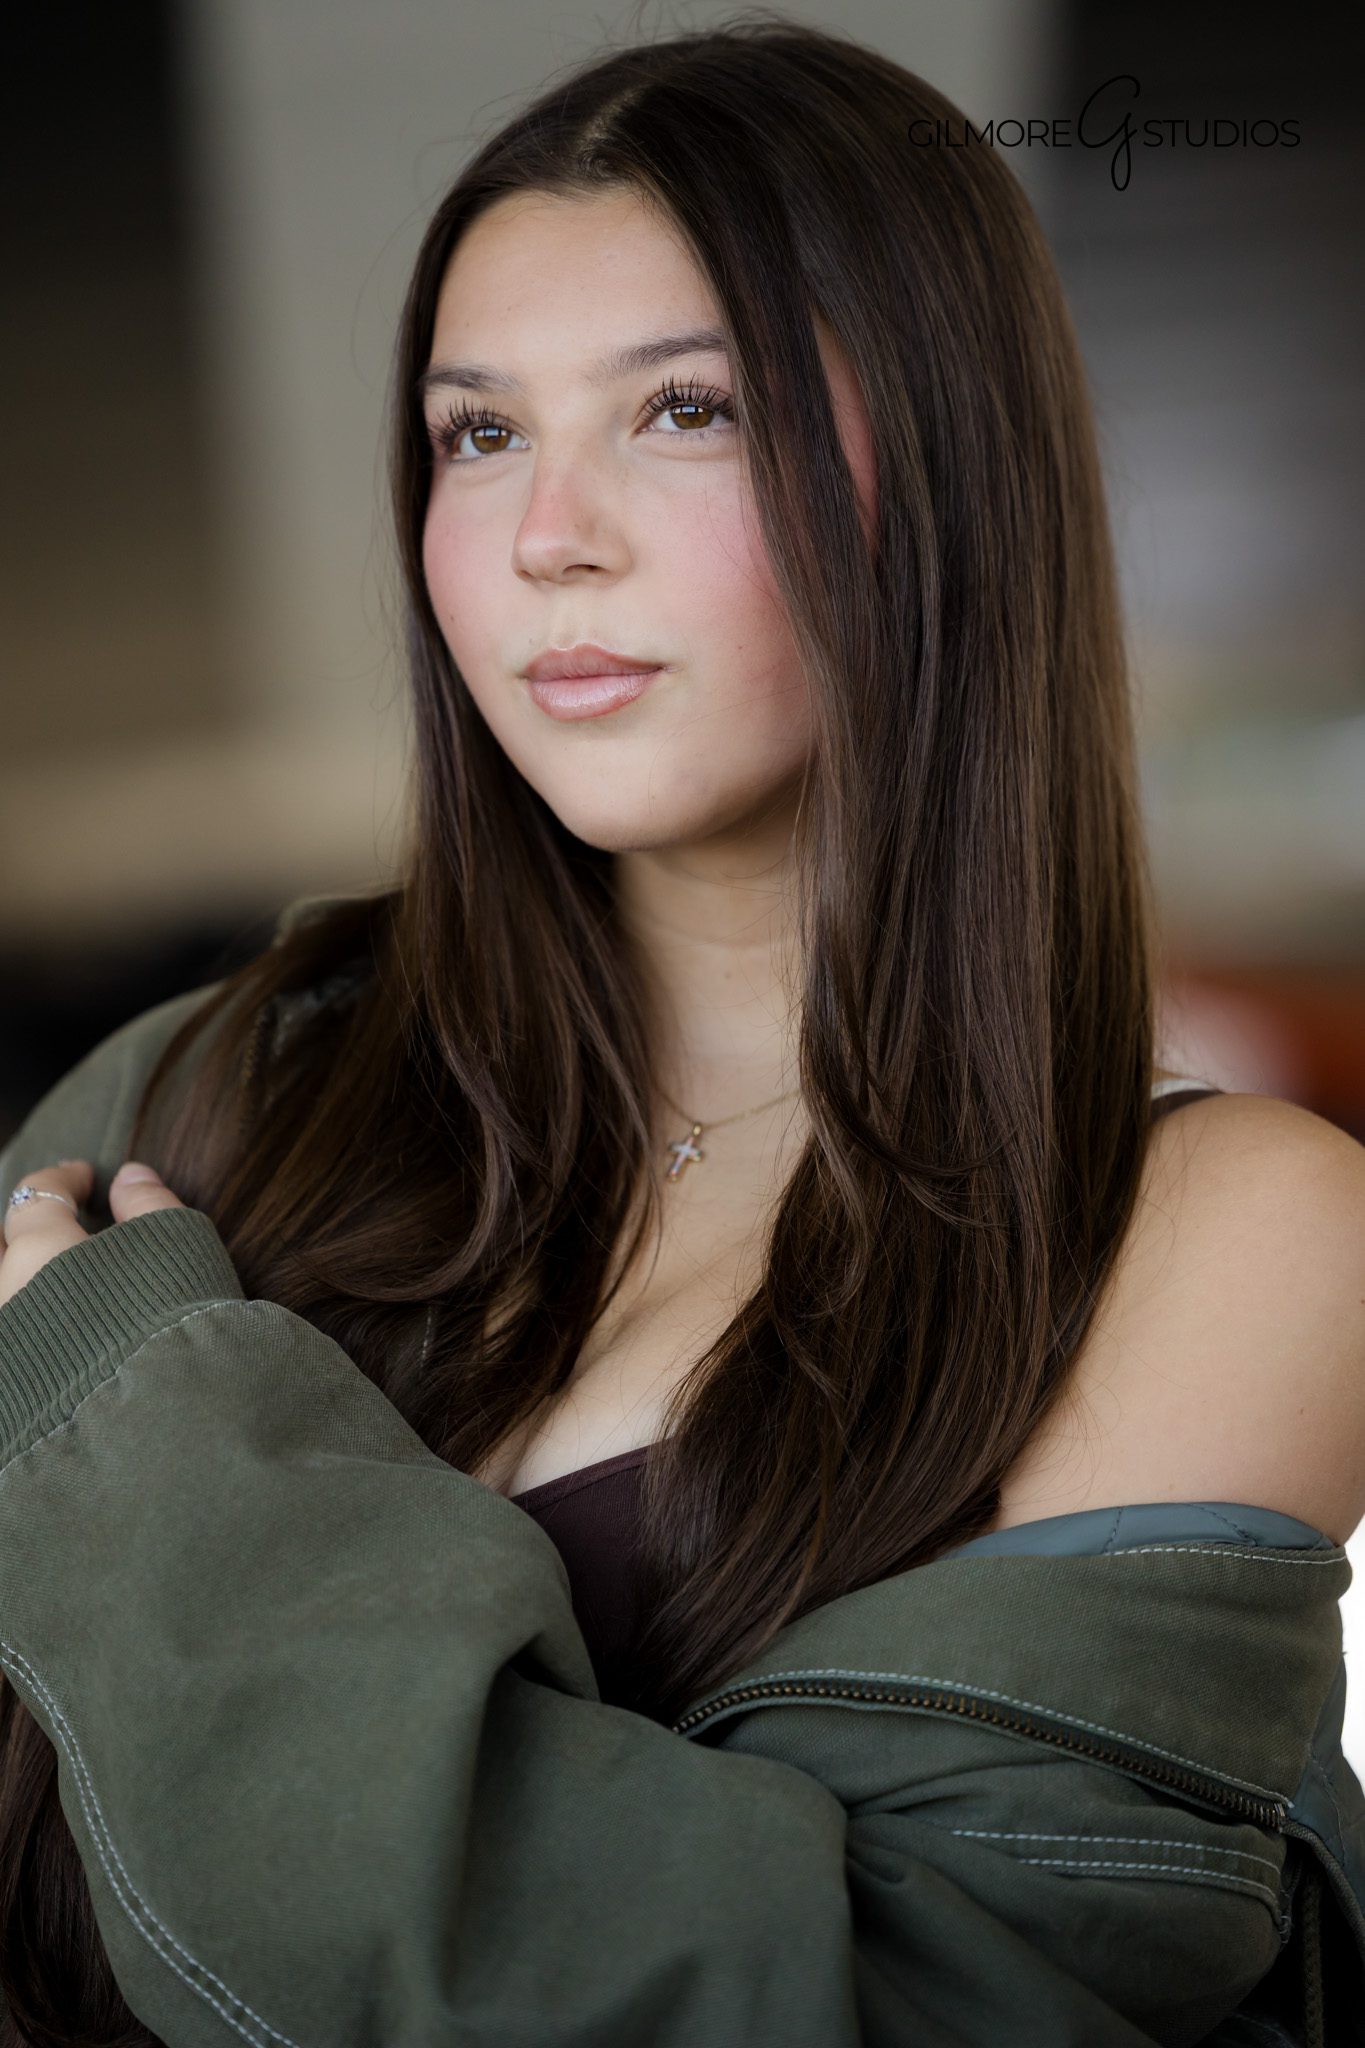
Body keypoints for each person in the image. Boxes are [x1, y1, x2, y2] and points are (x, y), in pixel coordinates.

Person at [1, 16, 1362, 2044]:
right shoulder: (220, 1080)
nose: (547, 531)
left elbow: (861, 2011)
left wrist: (162, 1455)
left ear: (950, 477)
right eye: (476, 435)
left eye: (686, 410)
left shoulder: (1222, 1234)